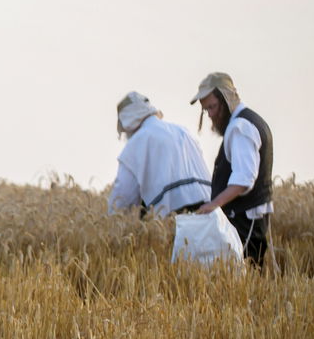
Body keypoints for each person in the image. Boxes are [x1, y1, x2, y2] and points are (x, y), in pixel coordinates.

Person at [191, 72, 274, 267]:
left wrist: (214, 205)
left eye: (212, 107)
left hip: (245, 220)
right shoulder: (249, 121)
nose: (210, 114)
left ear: (226, 99)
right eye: (206, 110)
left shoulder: (240, 128)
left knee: (245, 277)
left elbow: (244, 178)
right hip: (246, 218)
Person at [107, 91, 212, 217]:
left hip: (175, 222)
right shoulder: (184, 132)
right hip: (211, 214)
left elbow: (122, 197)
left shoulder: (136, 143)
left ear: (127, 123)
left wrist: (110, 223)